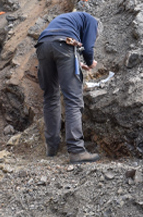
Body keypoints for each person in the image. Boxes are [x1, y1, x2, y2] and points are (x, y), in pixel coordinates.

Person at [35, 11, 101, 163]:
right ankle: (76, 150)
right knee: (73, 99)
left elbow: (60, 49)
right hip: (64, 44)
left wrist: (77, 61)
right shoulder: (93, 22)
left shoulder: (70, 21)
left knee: (50, 96)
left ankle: (52, 147)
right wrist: (90, 63)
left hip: (43, 45)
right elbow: (88, 49)